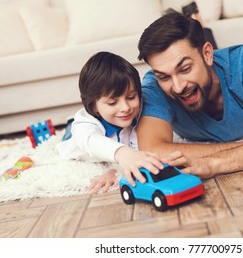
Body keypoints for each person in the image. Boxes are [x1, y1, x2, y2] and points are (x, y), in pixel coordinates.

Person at [136, 12, 243, 178]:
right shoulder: (154, 84)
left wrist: (215, 163)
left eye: (185, 69)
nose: (178, 87)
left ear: (207, 54)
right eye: (164, 76)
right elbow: (152, 150)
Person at [57, 51, 184, 194]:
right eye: (112, 102)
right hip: (76, 142)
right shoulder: (86, 125)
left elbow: (139, 154)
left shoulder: (141, 115)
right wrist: (120, 156)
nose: (125, 108)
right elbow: (91, 142)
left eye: (131, 97)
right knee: (71, 130)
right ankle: (70, 121)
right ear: (93, 106)